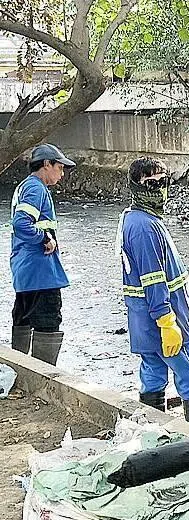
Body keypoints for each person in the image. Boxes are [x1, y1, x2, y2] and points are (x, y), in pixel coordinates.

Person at [118, 157, 189, 429]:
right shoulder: (145, 227)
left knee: (153, 374)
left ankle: (152, 437)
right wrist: (166, 321)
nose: (159, 189)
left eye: (163, 182)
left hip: (144, 322)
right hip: (166, 321)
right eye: (151, 183)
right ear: (136, 186)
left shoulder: (135, 219)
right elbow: (153, 279)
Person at [9, 144, 75, 365]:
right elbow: (21, 223)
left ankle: (19, 372)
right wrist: (45, 238)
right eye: (60, 167)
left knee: (23, 318)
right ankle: (45, 379)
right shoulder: (36, 189)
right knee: (48, 319)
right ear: (47, 165)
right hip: (41, 272)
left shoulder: (24, 187)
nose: (62, 173)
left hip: (25, 271)